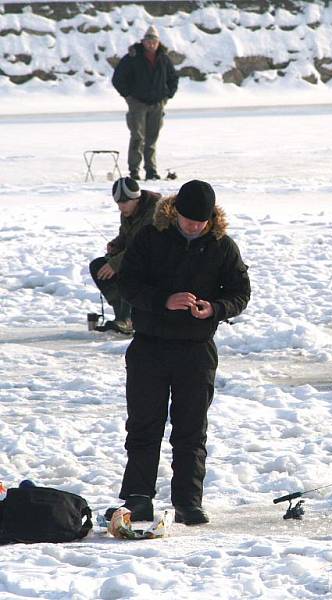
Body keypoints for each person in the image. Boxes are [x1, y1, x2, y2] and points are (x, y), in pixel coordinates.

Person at [105, 180, 250, 526]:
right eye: (188, 220)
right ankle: (138, 498)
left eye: (201, 222)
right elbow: (128, 284)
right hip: (149, 346)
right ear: (175, 213)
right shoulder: (151, 237)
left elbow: (240, 292)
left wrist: (214, 308)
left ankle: (188, 501)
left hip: (196, 351)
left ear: (211, 219)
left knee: (191, 429)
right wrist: (163, 301)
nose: (194, 227)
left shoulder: (222, 246)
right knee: (143, 425)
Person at [88, 177, 160, 334]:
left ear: (137, 199)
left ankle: (129, 318)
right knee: (98, 266)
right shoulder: (127, 213)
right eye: (119, 203)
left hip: (154, 260)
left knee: (127, 269)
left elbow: (143, 246)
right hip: (134, 257)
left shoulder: (154, 212)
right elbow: (126, 237)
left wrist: (115, 264)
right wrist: (116, 245)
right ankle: (120, 314)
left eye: (125, 202)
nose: (121, 207)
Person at [112, 25, 178, 181]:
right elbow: (118, 78)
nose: (151, 44)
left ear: (158, 42)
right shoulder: (133, 57)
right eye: (148, 41)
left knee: (152, 139)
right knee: (137, 137)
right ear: (143, 42)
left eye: (154, 41)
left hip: (157, 103)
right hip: (138, 104)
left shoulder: (163, 58)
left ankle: (151, 170)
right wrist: (128, 96)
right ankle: (134, 170)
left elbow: (173, 78)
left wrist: (167, 95)